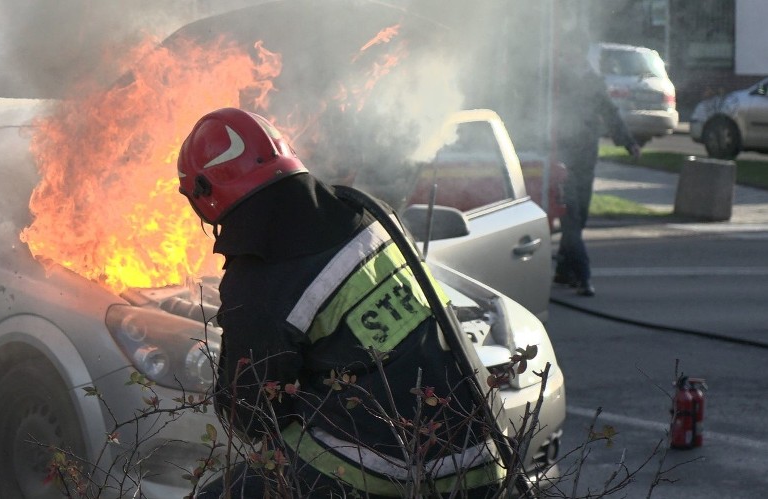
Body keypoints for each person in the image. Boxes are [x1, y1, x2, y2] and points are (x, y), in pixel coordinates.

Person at [177, 107, 506, 498]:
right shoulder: (366, 212)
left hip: (391, 475)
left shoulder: (262, 280)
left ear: (205, 193)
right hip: (483, 457)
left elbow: (254, 415)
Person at [552, 37, 641, 297]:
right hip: (562, 159)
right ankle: (583, 276)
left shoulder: (591, 80)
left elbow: (610, 114)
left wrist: (629, 143)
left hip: (584, 157)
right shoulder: (558, 80)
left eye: (574, 52)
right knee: (571, 216)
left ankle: (565, 271)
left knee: (579, 218)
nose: (571, 57)